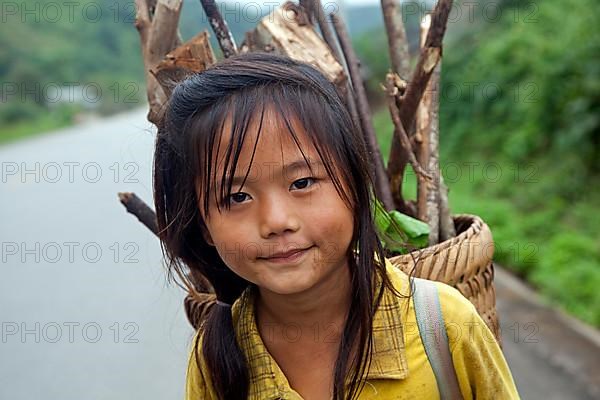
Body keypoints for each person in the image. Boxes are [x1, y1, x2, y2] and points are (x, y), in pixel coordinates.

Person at [153, 52, 520, 400]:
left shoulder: (442, 326)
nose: (277, 222)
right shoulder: (216, 356)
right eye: (236, 197)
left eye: (302, 183)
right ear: (202, 226)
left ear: (354, 187)